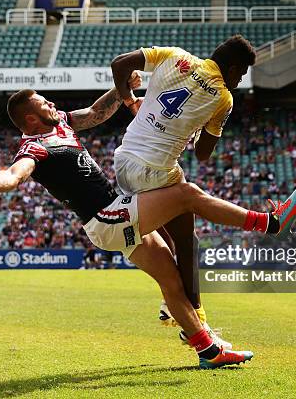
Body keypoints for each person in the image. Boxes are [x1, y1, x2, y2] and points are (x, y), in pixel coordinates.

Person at [0, 89, 296, 369]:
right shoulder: (33, 147)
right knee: (187, 195)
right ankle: (269, 223)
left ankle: (207, 351)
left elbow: (97, 113)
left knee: (171, 277)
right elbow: (14, 175)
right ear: (30, 118)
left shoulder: (62, 125)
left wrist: (121, 89)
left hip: (114, 215)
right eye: (45, 104)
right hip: (107, 216)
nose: (53, 105)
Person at [109, 35, 255, 342]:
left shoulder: (173, 55)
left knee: (169, 242)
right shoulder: (223, 97)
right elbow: (203, 154)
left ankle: (171, 303)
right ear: (231, 67)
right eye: (240, 73)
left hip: (124, 162)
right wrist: (202, 126)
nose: (240, 80)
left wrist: (130, 101)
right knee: (188, 243)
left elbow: (119, 64)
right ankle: (198, 323)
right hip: (158, 171)